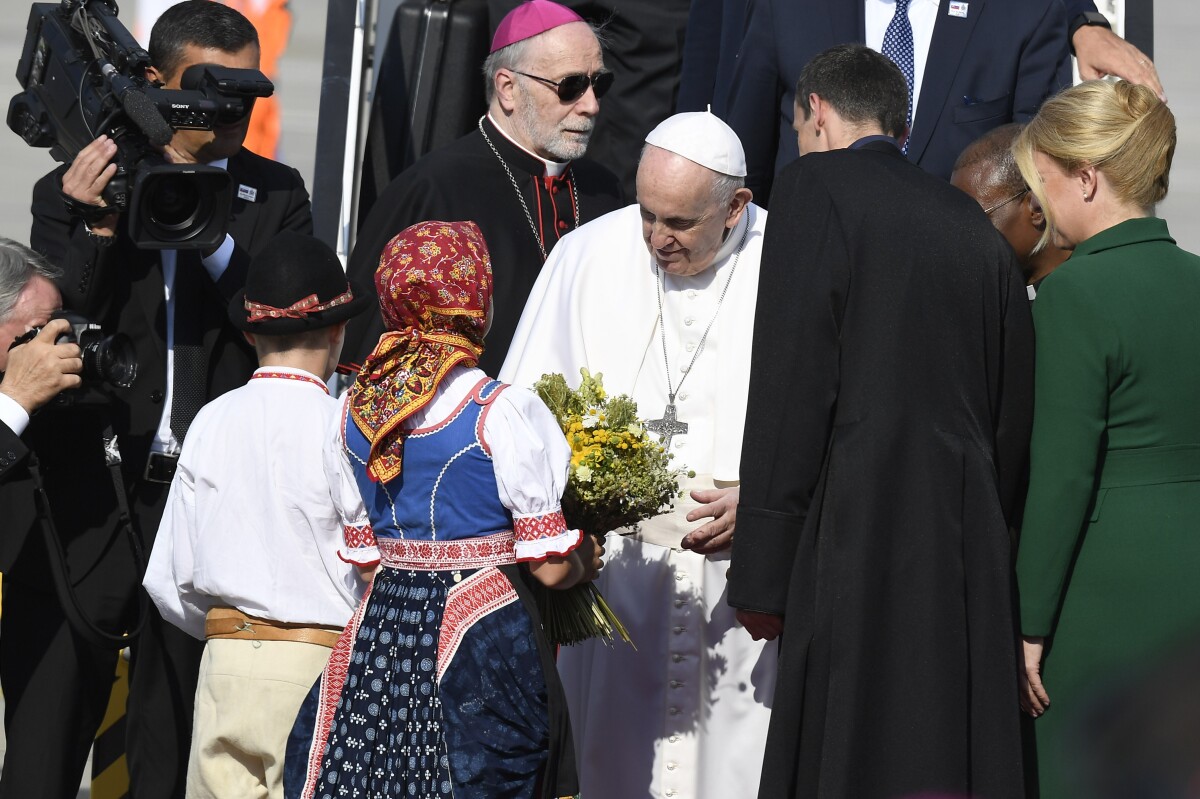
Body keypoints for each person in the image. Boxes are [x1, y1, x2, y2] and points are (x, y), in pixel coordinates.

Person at [16, 2, 314, 796]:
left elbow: (288, 328)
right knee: (47, 732)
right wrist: (94, 225)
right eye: (210, 92)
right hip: (92, 495)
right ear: (155, 82)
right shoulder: (76, 182)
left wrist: (212, 236)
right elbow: (52, 327)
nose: (229, 112)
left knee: (170, 738)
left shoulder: (274, 193)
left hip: (207, 505)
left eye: (247, 94)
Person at [728, 45, 1033, 798]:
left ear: (817, 113)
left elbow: (792, 383)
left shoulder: (815, 188)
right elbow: (1011, 412)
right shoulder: (971, 222)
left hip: (855, 523)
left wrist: (763, 572)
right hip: (963, 540)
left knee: (848, 744)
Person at [501, 111, 775, 799]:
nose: (655, 237)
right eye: (647, 213)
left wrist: (769, 505)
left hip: (735, 600)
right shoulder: (587, 257)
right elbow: (517, 425)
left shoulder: (791, 261)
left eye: (679, 222)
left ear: (736, 206)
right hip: (616, 588)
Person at [286, 219, 601, 799]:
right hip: (481, 629)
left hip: (386, 632)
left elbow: (367, 564)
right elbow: (549, 568)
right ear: (474, 300)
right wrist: (586, 558)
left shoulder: (351, 409)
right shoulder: (499, 409)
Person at [1011, 79, 1200, 799]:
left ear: (1087, 179)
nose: (1039, 205)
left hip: (1108, 590)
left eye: (1045, 182)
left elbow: (1062, 476)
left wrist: (1029, 624)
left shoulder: (1073, 293)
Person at [142, 230, 374, 799]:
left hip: (223, 661)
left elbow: (168, 577)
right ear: (339, 331)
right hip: (316, 663)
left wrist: (231, 629)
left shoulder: (210, 421)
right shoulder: (344, 427)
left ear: (250, 333)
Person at [343, 0, 624, 374]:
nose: (591, 105)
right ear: (508, 88)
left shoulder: (605, 190)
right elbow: (373, 354)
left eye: (598, 83)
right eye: (570, 86)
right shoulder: (433, 189)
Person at [686, 0, 1073, 203]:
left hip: (949, 285)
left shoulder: (1025, 13)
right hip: (813, 270)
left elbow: (1040, 178)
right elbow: (747, 159)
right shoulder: (788, 8)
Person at [951, 123, 1070, 299]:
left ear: (1036, 207)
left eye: (975, 219)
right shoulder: (984, 295)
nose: (962, 236)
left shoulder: (1082, 292)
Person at [0, 239, 81, 484]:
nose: (55, 344)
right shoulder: (21, 399)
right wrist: (16, 398)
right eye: (39, 329)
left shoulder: (50, 402)